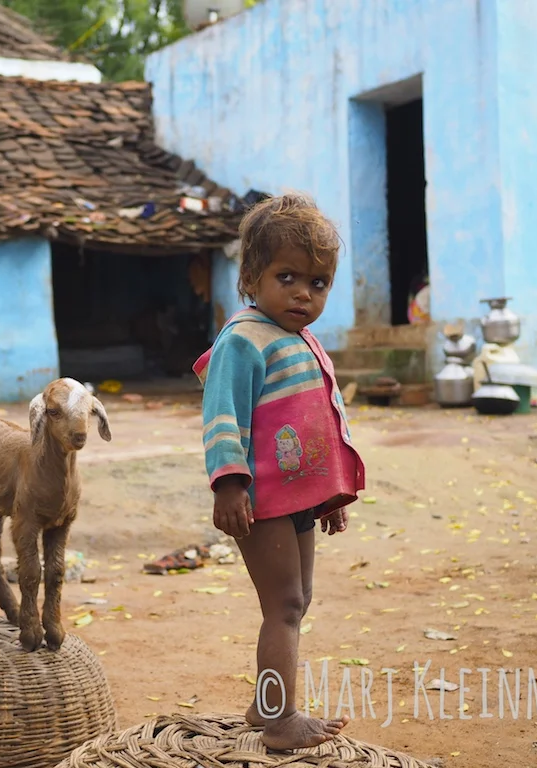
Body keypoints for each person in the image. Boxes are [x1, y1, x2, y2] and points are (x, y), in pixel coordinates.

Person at [192, 193, 366, 751]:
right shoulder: (243, 339)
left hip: (297, 501)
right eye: (286, 277)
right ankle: (280, 718)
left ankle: (265, 702)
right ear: (251, 277)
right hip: (260, 500)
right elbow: (223, 414)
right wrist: (229, 484)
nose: (302, 293)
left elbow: (319, 421)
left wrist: (329, 495)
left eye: (318, 283)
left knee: (298, 600)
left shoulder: (300, 338)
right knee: (284, 605)